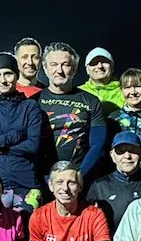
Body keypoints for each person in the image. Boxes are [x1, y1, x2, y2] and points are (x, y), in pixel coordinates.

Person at [0, 51, 44, 209]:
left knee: (28, 231)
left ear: (17, 76)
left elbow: (33, 145)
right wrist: (11, 137)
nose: (2, 80)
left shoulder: (30, 107)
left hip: (27, 183)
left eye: (8, 74)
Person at [36, 42, 106, 182]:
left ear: (73, 69)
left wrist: (78, 176)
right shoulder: (33, 102)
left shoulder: (91, 101)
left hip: (79, 179)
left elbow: (99, 145)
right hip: (42, 180)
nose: (59, 70)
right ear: (45, 68)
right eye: (54, 64)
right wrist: (43, 178)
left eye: (65, 65)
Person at [85, 132, 141, 232]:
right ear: (112, 155)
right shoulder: (100, 185)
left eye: (133, 151)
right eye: (121, 151)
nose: (127, 156)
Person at [79, 47, 125, 115]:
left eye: (104, 62)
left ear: (112, 67)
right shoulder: (78, 93)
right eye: (94, 63)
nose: (100, 66)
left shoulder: (125, 91)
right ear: (87, 70)